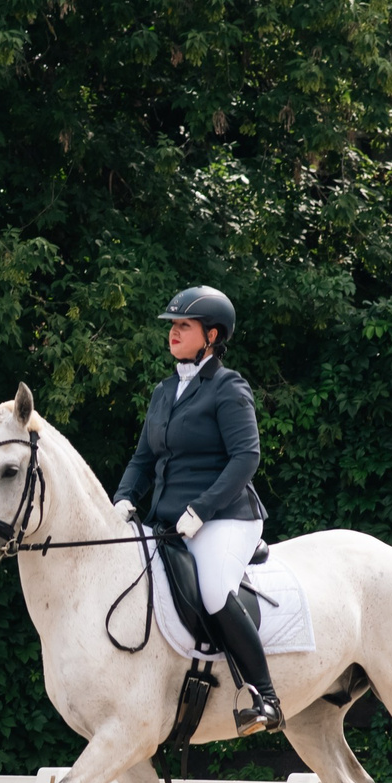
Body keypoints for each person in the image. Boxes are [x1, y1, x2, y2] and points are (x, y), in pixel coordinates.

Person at [112, 286, 283, 735]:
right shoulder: (164, 391)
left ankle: (265, 698)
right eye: (172, 325)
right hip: (170, 521)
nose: (173, 332)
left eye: (183, 326)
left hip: (226, 517)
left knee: (212, 589)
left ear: (211, 336)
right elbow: (143, 457)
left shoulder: (228, 387)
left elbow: (246, 457)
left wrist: (202, 509)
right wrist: (124, 497)